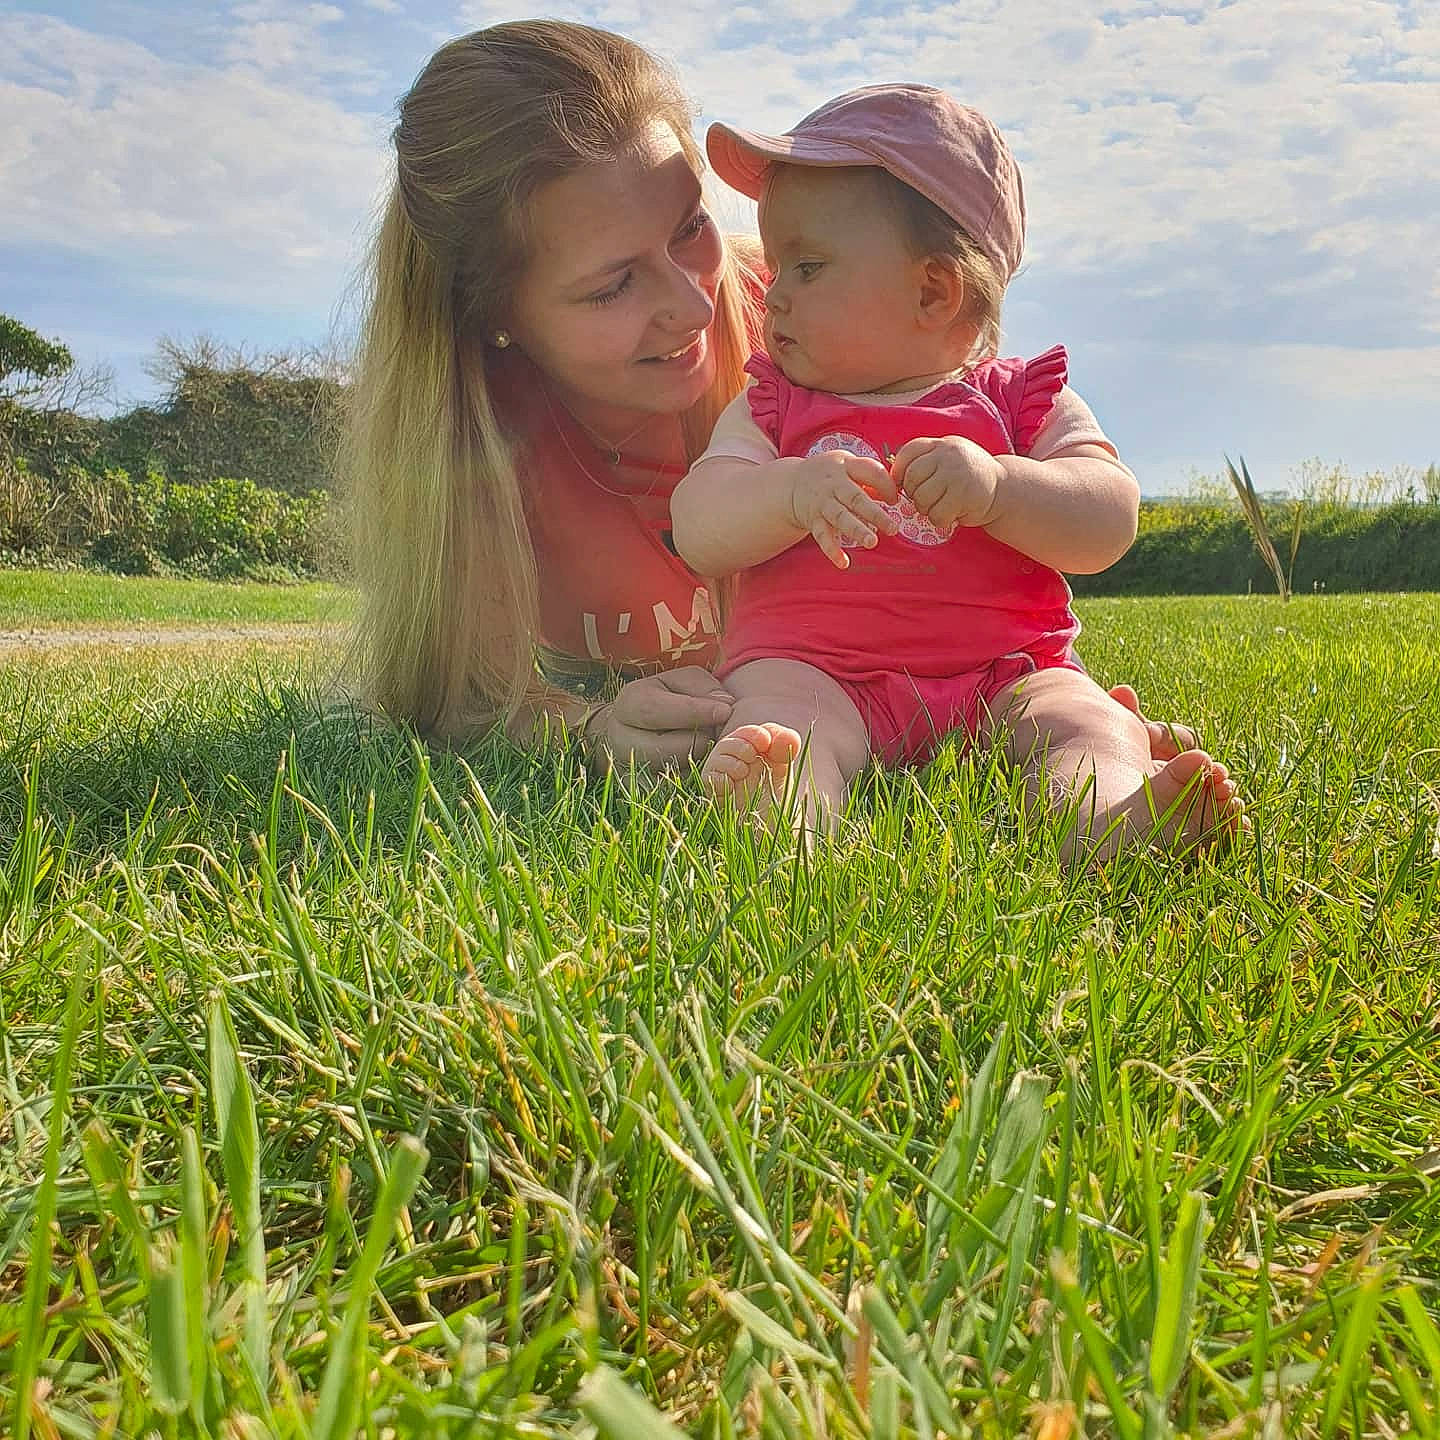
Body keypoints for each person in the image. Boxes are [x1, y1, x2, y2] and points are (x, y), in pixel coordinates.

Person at [344, 21, 1197, 784]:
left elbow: (1027, 454)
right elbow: (451, 694)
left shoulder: (809, 321)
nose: (694, 304)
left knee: (1080, 731)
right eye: (612, 286)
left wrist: (1073, 715)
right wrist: (588, 728)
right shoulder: (478, 446)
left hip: (967, 685)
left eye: (689, 227)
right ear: (495, 315)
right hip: (804, 700)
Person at [670, 85, 1245, 857]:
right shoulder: (773, 405)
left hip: (1008, 672)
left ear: (933, 291)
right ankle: (787, 813)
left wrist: (1003, 487)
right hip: (816, 671)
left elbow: (1108, 517)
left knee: (1085, 722)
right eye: (776, 268)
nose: (772, 296)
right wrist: (789, 492)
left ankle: (1111, 818)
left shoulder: (1022, 401)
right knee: (781, 723)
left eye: (806, 267)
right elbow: (699, 524)